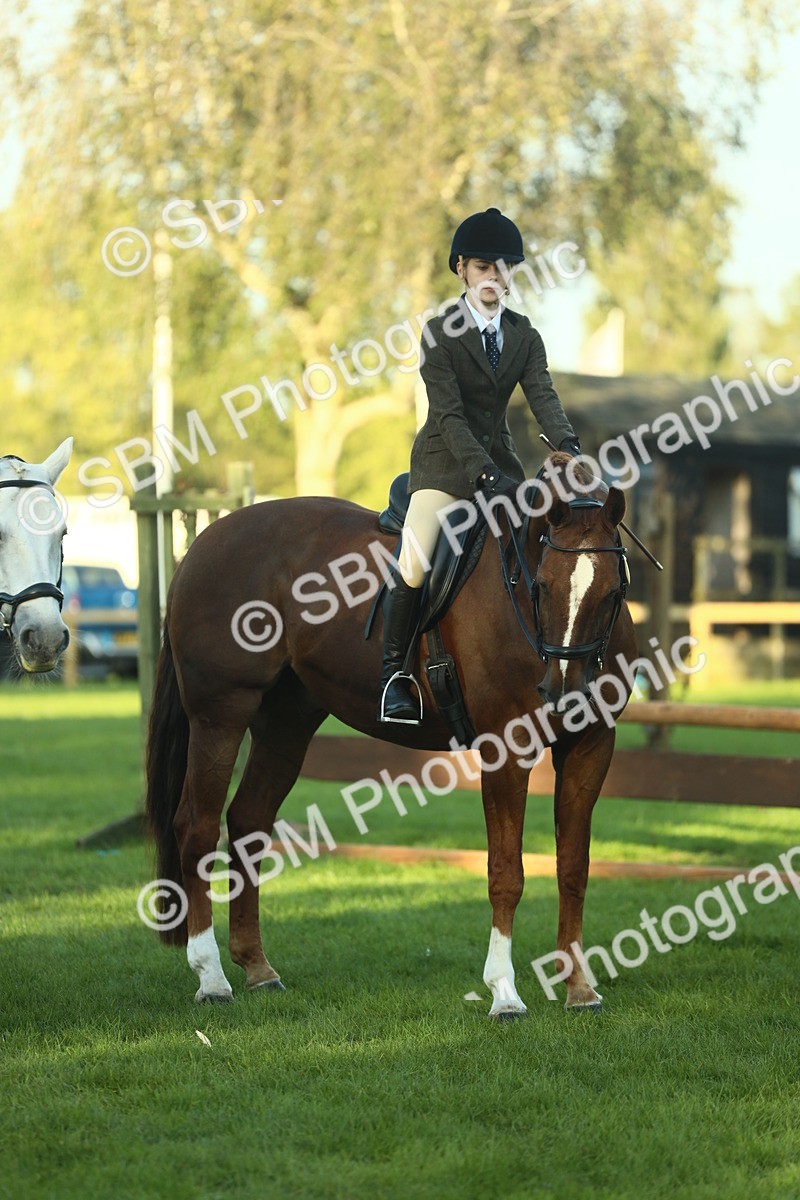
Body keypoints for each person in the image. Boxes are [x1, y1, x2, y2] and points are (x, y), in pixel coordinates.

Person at [378, 207, 581, 724]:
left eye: (503, 266)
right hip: (444, 469)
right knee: (416, 558)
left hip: (503, 468)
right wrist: (483, 475)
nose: (494, 274)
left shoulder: (524, 336)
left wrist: (571, 447)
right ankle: (394, 676)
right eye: (483, 265)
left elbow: (544, 397)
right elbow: (447, 417)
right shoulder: (439, 334)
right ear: (462, 270)